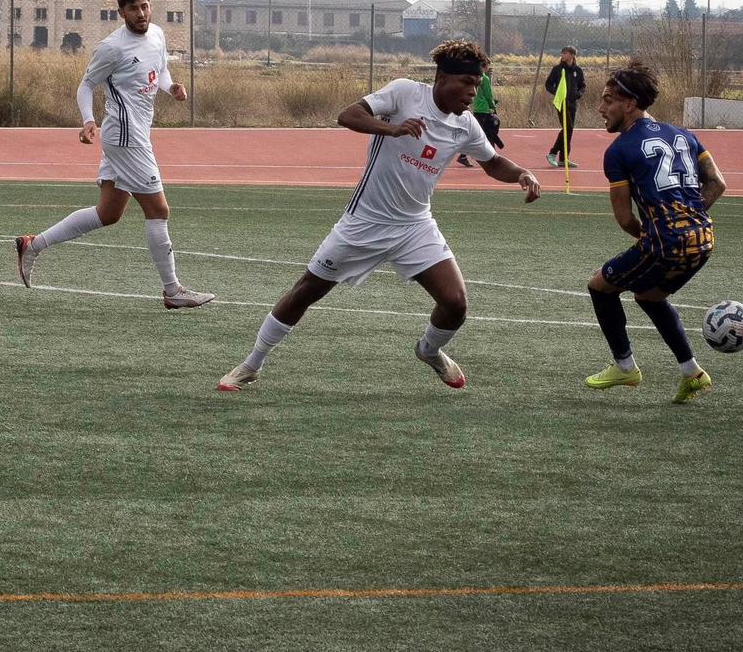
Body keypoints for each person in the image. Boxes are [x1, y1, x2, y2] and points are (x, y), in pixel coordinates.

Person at [218, 40, 541, 392]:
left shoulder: (465, 125)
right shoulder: (405, 93)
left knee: (455, 304)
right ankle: (251, 364)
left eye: (477, 84)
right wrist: (392, 128)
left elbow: (493, 162)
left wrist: (521, 173)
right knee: (305, 292)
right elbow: (347, 115)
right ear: (441, 77)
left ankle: (429, 351)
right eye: (466, 82)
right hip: (364, 222)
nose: (472, 92)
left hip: (415, 226)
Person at [15, 0, 213, 309]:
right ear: (121, 12)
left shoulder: (158, 35)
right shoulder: (112, 48)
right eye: (133, 8)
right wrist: (87, 120)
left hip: (135, 134)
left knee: (108, 213)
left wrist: (172, 88)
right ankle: (173, 291)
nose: (141, 13)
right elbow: (85, 85)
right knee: (159, 210)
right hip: (125, 138)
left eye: (145, 6)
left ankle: (32, 245)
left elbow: (161, 71)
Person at [583, 61, 727, 403]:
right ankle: (692, 372)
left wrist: (655, 235)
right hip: (704, 239)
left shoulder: (619, 150)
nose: (601, 108)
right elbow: (717, 183)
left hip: (667, 243)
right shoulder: (685, 135)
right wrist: (689, 220)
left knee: (600, 287)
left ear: (630, 104)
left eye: (608, 100)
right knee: (649, 296)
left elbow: (624, 218)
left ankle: (624, 366)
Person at [457, 56, 503, 167]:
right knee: (488, 133)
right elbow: (488, 94)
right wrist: (493, 106)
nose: (488, 68)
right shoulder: (484, 78)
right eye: (488, 66)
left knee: (480, 132)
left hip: (477, 107)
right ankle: (492, 158)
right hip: (483, 109)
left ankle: (464, 155)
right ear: (485, 66)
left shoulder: (474, 77)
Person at [544, 46, 585, 167]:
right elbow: (548, 84)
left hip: (572, 104)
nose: (562, 55)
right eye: (562, 53)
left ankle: (563, 158)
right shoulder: (557, 69)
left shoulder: (578, 70)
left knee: (569, 131)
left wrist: (578, 94)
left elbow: (582, 85)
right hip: (561, 103)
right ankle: (552, 153)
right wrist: (557, 93)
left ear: (572, 55)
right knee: (568, 128)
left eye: (565, 53)